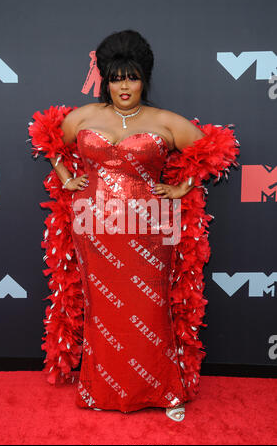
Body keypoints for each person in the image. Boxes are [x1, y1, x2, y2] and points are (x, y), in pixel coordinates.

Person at [27, 29, 240, 422]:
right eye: (116, 77)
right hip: (94, 229)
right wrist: (65, 175)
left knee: (151, 310)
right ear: (105, 80)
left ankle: (161, 389)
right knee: (102, 312)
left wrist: (183, 186)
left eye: (132, 76)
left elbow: (215, 148)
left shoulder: (163, 121)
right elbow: (46, 137)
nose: (124, 86)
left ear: (145, 78)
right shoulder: (86, 116)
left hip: (150, 232)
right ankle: (100, 389)